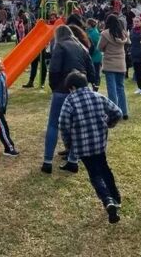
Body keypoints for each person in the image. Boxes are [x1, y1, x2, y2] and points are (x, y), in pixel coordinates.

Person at [59, 70, 123, 224]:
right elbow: (118, 112)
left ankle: (107, 200)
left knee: (94, 174)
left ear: (72, 88)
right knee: (105, 168)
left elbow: (63, 124)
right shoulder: (98, 96)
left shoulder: (70, 101)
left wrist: (69, 145)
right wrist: (109, 124)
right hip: (100, 143)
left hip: (82, 146)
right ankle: (116, 198)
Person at [41, 25, 95, 175]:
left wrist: (54, 86)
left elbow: (53, 69)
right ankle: (73, 160)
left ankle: (47, 162)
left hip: (61, 89)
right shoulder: (81, 46)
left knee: (53, 125)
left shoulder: (60, 46)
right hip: (80, 88)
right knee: (77, 126)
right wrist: (91, 82)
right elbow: (90, 68)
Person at [98, 14, 129, 119]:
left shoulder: (105, 34)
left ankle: (114, 112)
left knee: (112, 89)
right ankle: (124, 112)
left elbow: (100, 47)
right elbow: (127, 43)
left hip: (110, 63)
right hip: (121, 63)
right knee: (121, 88)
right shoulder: (123, 34)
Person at [129, 17, 141, 95]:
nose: (136, 23)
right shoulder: (132, 30)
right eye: (134, 22)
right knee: (136, 72)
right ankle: (139, 87)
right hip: (134, 53)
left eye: (137, 21)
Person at [86, 18, 103, 90]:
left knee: (96, 74)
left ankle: (95, 88)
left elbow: (96, 45)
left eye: (87, 24)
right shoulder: (89, 31)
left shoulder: (95, 33)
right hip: (91, 56)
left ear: (89, 24)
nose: (86, 25)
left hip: (95, 57)